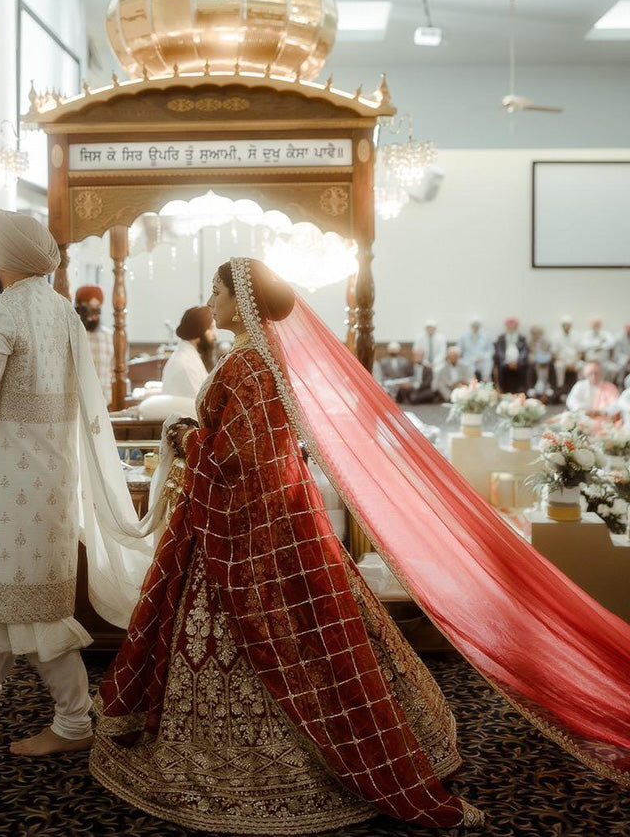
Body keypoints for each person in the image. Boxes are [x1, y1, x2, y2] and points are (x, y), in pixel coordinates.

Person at [90, 258, 630, 831]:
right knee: (324, 627)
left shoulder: (245, 365)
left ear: (240, 299)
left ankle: (258, 764)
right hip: (276, 519)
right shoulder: (265, 359)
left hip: (243, 532)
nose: (212, 300)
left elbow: (237, 459)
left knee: (266, 641)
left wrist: (184, 438)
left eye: (218, 291)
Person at [0, 210, 153, 755]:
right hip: (50, 478)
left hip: (3, 483)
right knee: (7, 593)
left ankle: (74, 722)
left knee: (33, 607)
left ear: (0, 257)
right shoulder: (63, 314)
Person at [160, 305, 216, 401]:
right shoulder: (186, 365)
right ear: (198, 332)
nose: (214, 335)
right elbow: (199, 407)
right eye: (211, 329)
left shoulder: (189, 356)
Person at [75, 284, 114, 395]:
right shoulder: (73, 335)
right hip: (78, 400)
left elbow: (113, 369)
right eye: (89, 308)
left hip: (104, 400)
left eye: (97, 308)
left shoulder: (109, 336)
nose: (93, 316)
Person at [494, 318, 529, 393]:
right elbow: (499, 351)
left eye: (513, 326)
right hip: (504, 361)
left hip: (519, 362)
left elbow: (524, 351)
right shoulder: (501, 338)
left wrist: (518, 362)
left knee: (524, 368)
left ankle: (522, 391)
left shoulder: (522, 338)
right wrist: (507, 362)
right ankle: (502, 390)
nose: (511, 328)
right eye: (509, 326)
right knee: (500, 369)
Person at [551, 317, 579, 399]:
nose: (567, 327)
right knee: (559, 366)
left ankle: (580, 387)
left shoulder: (576, 336)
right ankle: (560, 389)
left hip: (574, 362)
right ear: (562, 326)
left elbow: (580, 352)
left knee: (582, 366)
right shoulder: (556, 337)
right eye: (565, 325)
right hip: (562, 361)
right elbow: (554, 353)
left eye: (568, 325)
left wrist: (574, 362)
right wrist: (565, 363)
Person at [527, 325, 553, 398]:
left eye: (537, 333)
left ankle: (546, 386)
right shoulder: (530, 341)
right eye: (534, 333)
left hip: (544, 359)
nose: (535, 334)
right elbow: (531, 352)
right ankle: (535, 387)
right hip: (535, 361)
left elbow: (547, 351)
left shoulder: (545, 341)